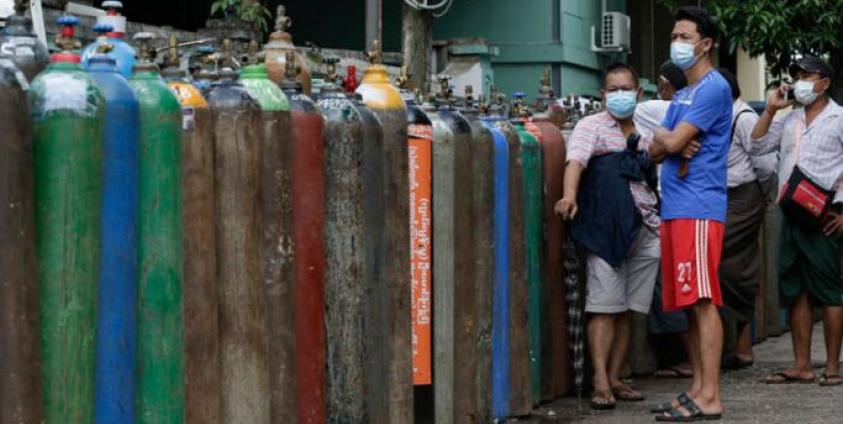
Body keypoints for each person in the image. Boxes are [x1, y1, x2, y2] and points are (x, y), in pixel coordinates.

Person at [555, 63, 661, 410]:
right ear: (603, 95)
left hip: (646, 228)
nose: (619, 95)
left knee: (630, 309)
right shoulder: (591, 127)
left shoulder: (647, 132)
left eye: (625, 89)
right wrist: (569, 196)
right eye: (612, 90)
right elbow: (575, 163)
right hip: (605, 229)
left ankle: (617, 377)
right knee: (603, 307)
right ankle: (600, 381)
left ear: (638, 92)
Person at [648, 6, 732, 421]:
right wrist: (669, 141)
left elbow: (674, 141)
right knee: (688, 303)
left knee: (702, 300)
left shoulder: (714, 88)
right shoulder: (682, 93)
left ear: (705, 44)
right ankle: (697, 389)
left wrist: (672, 141)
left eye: (684, 36)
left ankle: (710, 395)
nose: (676, 42)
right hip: (676, 207)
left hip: (698, 207)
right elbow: (654, 148)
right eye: (674, 35)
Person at [751, 56, 843, 387]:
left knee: (831, 291)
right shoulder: (789, 120)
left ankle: (832, 367)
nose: (800, 81)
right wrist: (770, 109)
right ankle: (801, 365)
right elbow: (757, 144)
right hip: (789, 214)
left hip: (825, 216)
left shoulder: (839, 118)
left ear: (825, 82)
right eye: (797, 75)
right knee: (794, 288)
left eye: (807, 75)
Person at [635, 61, 696, 380]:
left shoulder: (658, 109)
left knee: (667, 283)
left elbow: (636, 110)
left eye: (662, 83)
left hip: (667, 204)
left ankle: (685, 357)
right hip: (678, 204)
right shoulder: (692, 112)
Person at [717, 68, 775, 370]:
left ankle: (735, 345)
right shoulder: (720, 116)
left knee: (719, 259)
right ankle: (740, 347)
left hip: (744, 196)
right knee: (735, 268)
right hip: (723, 197)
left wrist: (762, 198)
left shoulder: (744, 118)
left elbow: (765, 164)